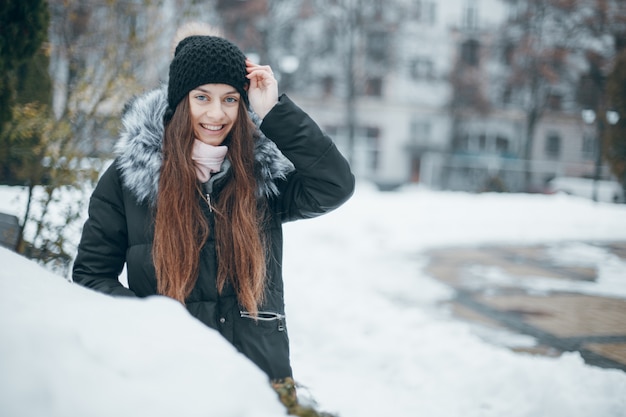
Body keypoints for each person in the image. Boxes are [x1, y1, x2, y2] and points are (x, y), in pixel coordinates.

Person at [72, 25, 355, 382]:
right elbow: (91, 275)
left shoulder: (259, 176)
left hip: (258, 378)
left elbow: (335, 185)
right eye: (202, 97)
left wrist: (275, 113)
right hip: (167, 376)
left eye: (230, 99)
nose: (216, 114)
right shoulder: (129, 178)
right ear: (180, 101)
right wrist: (147, 321)